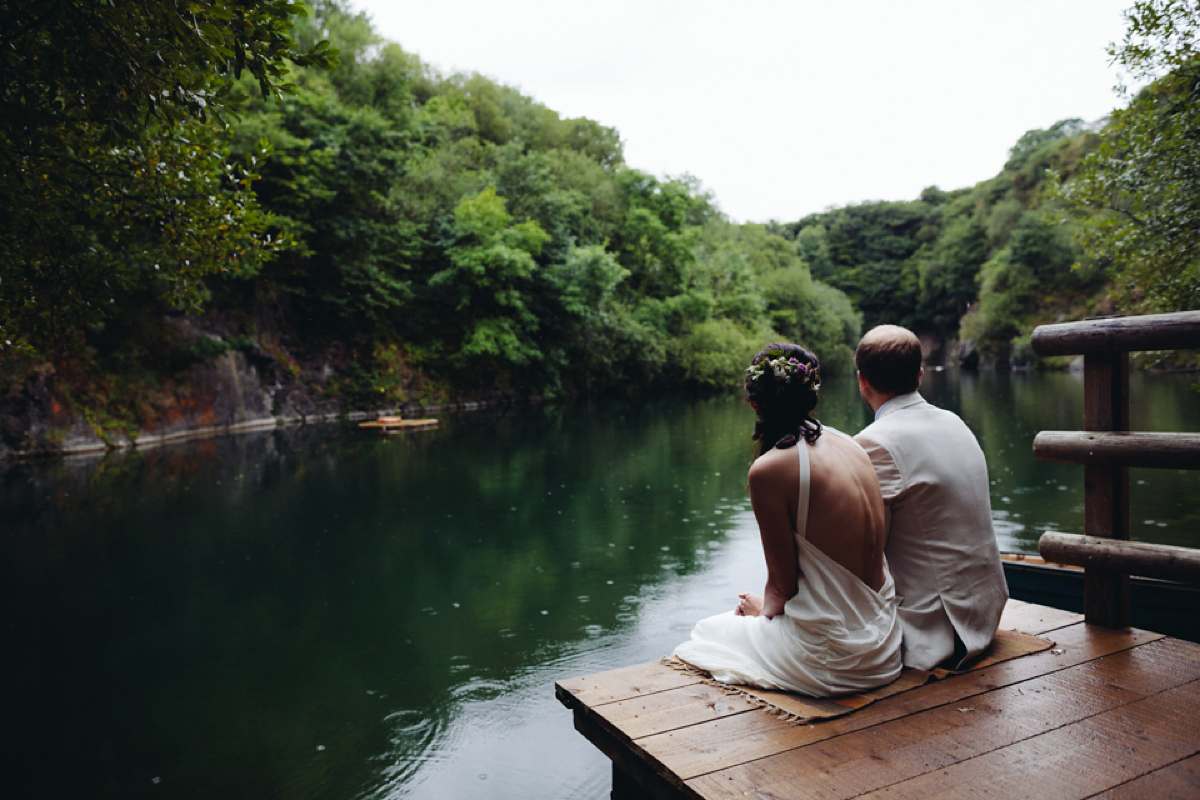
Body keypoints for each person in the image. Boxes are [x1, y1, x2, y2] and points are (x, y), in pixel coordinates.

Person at [673, 343, 902, 697]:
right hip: (885, 645)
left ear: (753, 403)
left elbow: (781, 589)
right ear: (812, 397)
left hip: (835, 662)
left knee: (707, 633)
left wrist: (761, 610)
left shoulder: (769, 470)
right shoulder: (852, 445)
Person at [853, 325, 1008, 671]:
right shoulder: (954, 421)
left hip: (939, 632)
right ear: (920, 375)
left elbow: (864, 553)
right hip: (984, 613)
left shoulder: (873, 443)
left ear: (862, 380)